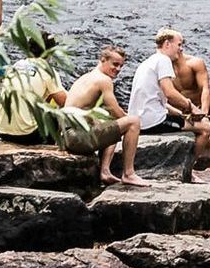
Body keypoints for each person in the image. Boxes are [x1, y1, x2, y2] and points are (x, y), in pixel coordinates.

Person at [63, 46, 147, 185]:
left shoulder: (87, 77)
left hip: (67, 136)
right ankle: (128, 174)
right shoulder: (104, 80)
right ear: (103, 60)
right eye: (115, 64)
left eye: (121, 65)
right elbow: (116, 111)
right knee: (133, 122)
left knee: (108, 120)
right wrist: (137, 126)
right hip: (77, 137)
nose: (118, 69)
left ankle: (105, 172)